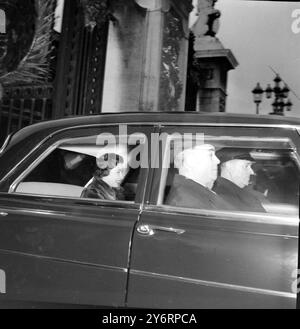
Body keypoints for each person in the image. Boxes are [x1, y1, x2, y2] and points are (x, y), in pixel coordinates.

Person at [165, 144, 233, 210]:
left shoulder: (191, 196)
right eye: (210, 155)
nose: (217, 161)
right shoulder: (187, 205)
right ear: (190, 160)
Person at [213, 148, 266, 212]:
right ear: (228, 166)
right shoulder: (225, 198)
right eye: (246, 166)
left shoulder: (233, 194)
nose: (252, 172)